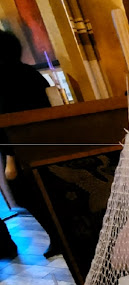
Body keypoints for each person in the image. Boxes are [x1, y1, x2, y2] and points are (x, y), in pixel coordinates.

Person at [0, 30, 60, 258]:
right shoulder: (32, 74)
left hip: (20, 151)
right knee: (50, 196)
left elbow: (7, 121)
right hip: (45, 143)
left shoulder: (4, 79)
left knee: (31, 199)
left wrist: (10, 160)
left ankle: (57, 238)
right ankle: (61, 237)